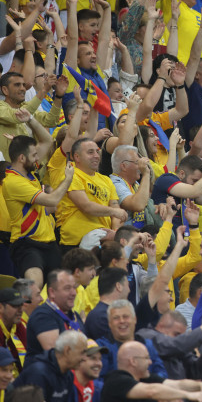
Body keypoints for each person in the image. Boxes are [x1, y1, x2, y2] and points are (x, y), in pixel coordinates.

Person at [4, 135, 74, 288]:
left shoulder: (30, 175)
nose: (37, 159)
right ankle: (21, 311)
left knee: (62, 286)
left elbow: (48, 140)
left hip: (49, 242)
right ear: (22, 158)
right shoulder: (13, 182)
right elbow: (53, 200)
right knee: (35, 284)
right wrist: (68, 179)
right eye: (34, 155)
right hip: (26, 243)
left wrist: (29, 119)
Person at [101, 341, 202, 402]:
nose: (150, 362)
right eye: (146, 358)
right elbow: (152, 391)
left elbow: (177, 384)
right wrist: (191, 396)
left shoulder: (146, 378)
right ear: (133, 361)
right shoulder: (116, 381)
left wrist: (200, 385)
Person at [137, 311, 202, 380]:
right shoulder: (146, 336)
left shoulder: (180, 348)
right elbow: (176, 344)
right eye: (176, 334)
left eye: (182, 336)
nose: (181, 339)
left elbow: (195, 372)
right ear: (161, 326)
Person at [96, 299, 168, 378]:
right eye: (116, 318)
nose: (122, 321)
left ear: (135, 319)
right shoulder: (101, 348)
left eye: (126, 316)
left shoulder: (147, 345)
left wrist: (145, 384)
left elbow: (162, 373)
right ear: (109, 323)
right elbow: (97, 379)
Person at [13, 330, 87, 402]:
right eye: (82, 353)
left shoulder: (69, 375)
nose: (84, 358)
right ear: (67, 350)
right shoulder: (39, 373)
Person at [26, 270, 84, 357]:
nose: (74, 293)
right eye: (67, 288)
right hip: (48, 370)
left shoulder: (75, 316)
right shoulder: (42, 315)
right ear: (52, 292)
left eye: (74, 288)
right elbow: (56, 355)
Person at [84, 267, 130, 341]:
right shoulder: (101, 317)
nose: (129, 290)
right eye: (127, 285)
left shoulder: (101, 313)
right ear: (118, 286)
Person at [0, 288, 27, 377]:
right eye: (15, 306)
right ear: (0, 307)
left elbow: (30, 355)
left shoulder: (18, 326)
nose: (20, 310)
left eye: (21, 305)